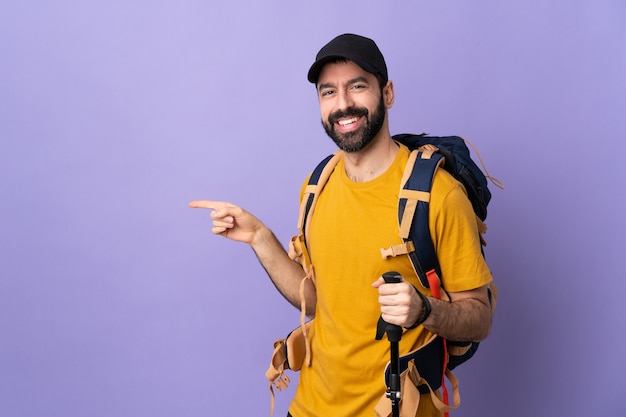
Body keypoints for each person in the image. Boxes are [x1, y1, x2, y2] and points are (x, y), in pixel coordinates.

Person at [190, 33, 493, 417]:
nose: (343, 104)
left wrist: (423, 311)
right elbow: (319, 301)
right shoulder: (318, 185)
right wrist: (260, 238)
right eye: (328, 92)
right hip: (310, 406)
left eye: (358, 86)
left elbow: (479, 317)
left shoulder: (439, 196)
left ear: (388, 94)